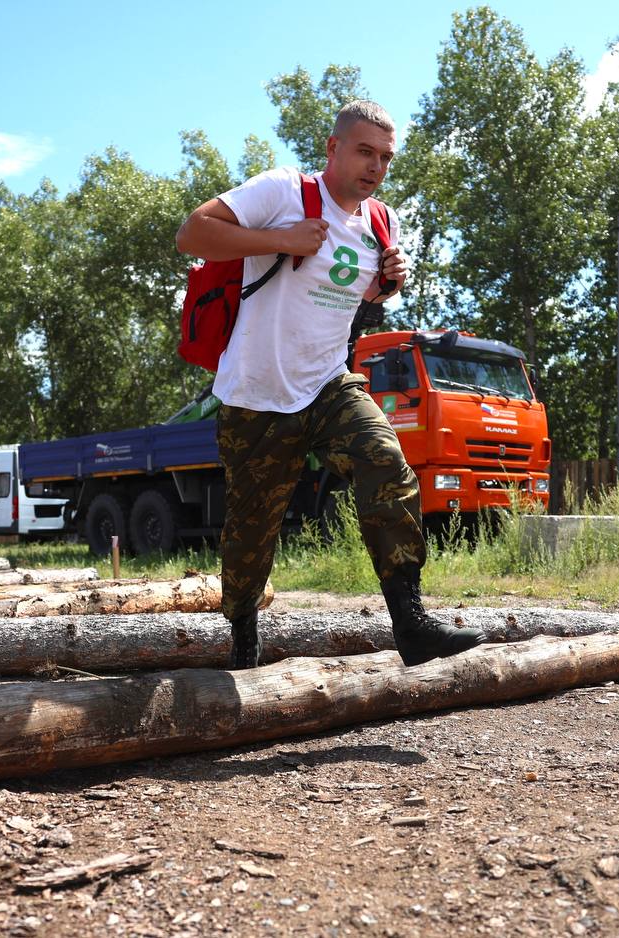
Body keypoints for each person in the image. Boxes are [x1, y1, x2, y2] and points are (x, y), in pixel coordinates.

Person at [175, 99, 485, 670]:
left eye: (386, 157)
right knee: (251, 535)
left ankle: (410, 623)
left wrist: (383, 289)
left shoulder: (379, 221)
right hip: (255, 396)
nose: (375, 167)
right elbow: (193, 234)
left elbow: (343, 299)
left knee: (385, 463)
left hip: (327, 383)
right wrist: (282, 240)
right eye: (365, 151)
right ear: (333, 148)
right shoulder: (283, 192)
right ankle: (243, 639)